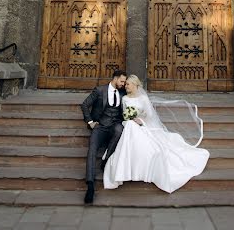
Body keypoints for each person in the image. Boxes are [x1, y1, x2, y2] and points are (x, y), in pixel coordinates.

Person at [103, 74, 209, 193]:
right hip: (129, 124)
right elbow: (124, 115)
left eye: (128, 84)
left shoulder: (143, 98)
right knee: (130, 126)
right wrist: (130, 118)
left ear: (134, 85)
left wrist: (140, 120)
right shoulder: (125, 99)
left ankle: (130, 167)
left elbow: (150, 115)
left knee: (136, 130)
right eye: (125, 84)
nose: (125, 86)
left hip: (143, 124)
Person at [81, 69, 127, 204]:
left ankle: (106, 159)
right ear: (115, 78)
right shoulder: (100, 90)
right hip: (100, 126)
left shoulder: (122, 92)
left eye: (124, 82)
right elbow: (84, 105)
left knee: (120, 129)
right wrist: (90, 122)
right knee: (92, 149)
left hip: (115, 125)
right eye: (122, 81)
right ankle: (90, 185)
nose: (123, 84)